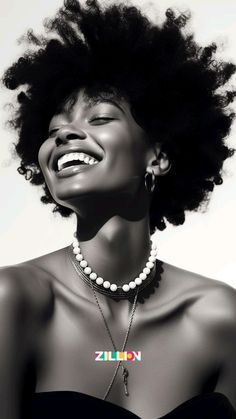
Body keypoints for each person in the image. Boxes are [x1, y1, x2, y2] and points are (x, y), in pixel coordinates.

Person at [1, 0, 236, 418]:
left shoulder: (220, 317)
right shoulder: (16, 301)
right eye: (54, 129)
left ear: (158, 157)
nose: (66, 134)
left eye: (99, 118)